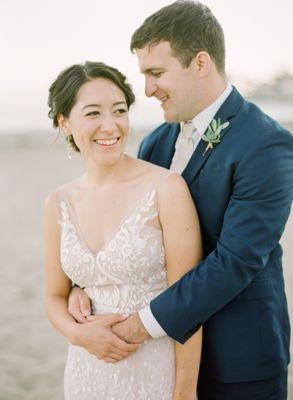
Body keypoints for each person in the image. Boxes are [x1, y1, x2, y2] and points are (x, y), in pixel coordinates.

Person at [69, 1, 293, 399]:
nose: (148, 89)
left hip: (239, 358)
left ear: (201, 63)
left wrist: (141, 325)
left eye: (156, 73)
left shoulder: (267, 144)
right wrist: (84, 285)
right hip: (161, 358)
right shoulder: (157, 141)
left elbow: (236, 262)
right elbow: (126, 224)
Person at [44, 61, 202, 400]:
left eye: (119, 110)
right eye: (92, 113)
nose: (110, 125)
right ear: (65, 122)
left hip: (155, 373)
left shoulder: (166, 189)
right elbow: (55, 296)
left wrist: (185, 392)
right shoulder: (58, 202)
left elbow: (190, 301)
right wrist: (76, 334)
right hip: (86, 375)